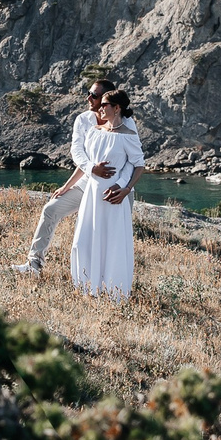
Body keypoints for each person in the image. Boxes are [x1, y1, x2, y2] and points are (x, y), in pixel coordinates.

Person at [9, 78, 139, 276]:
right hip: (86, 182)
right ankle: (34, 264)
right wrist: (85, 173)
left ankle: (115, 279)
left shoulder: (127, 124)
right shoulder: (83, 120)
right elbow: (77, 151)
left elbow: (133, 161)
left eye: (95, 96)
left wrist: (123, 187)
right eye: (89, 93)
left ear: (110, 100)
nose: (89, 98)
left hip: (117, 188)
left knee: (117, 234)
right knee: (51, 210)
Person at [69, 91, 143, 298]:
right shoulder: (93, 131)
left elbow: (138, 165)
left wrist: (125, 189)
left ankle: (113, 291)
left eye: (105, 105)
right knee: (83, 240)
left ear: (117, 108)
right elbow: (82, 159)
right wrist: (87, 172)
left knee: (111, 242)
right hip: (92, 192)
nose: (100, 108)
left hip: (113, 196)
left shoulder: (128, 135)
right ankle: (85, 286)